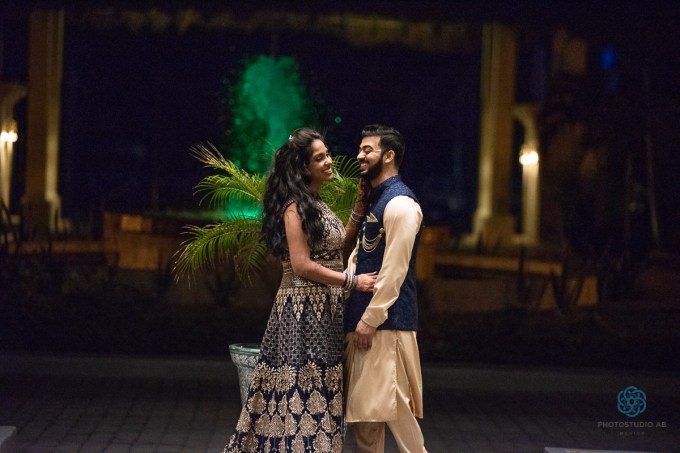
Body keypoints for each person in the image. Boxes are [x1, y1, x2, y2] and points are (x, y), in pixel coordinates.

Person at [224, 128, 377, 453]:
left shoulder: (317, 204)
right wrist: (352, 281)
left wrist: (359, 208)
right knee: (298, 398)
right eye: (320, 158)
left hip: (326, 314)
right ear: (304, 167)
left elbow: (336, 248)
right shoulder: (294, 207)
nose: (329, 161)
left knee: (322, 392)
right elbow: (302, 265)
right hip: (301, 315)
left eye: (327, 154)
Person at [343, 124, 427, 453]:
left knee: (398, 414)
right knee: (366, 421)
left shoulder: (401, 204)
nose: (359, 155)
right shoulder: (378, 200)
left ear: (388, 156)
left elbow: (395, 270)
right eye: (360, 149)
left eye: (368, 150)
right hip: (367, 324)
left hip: (385, 327)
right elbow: (360, 256)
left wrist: (370, 318)